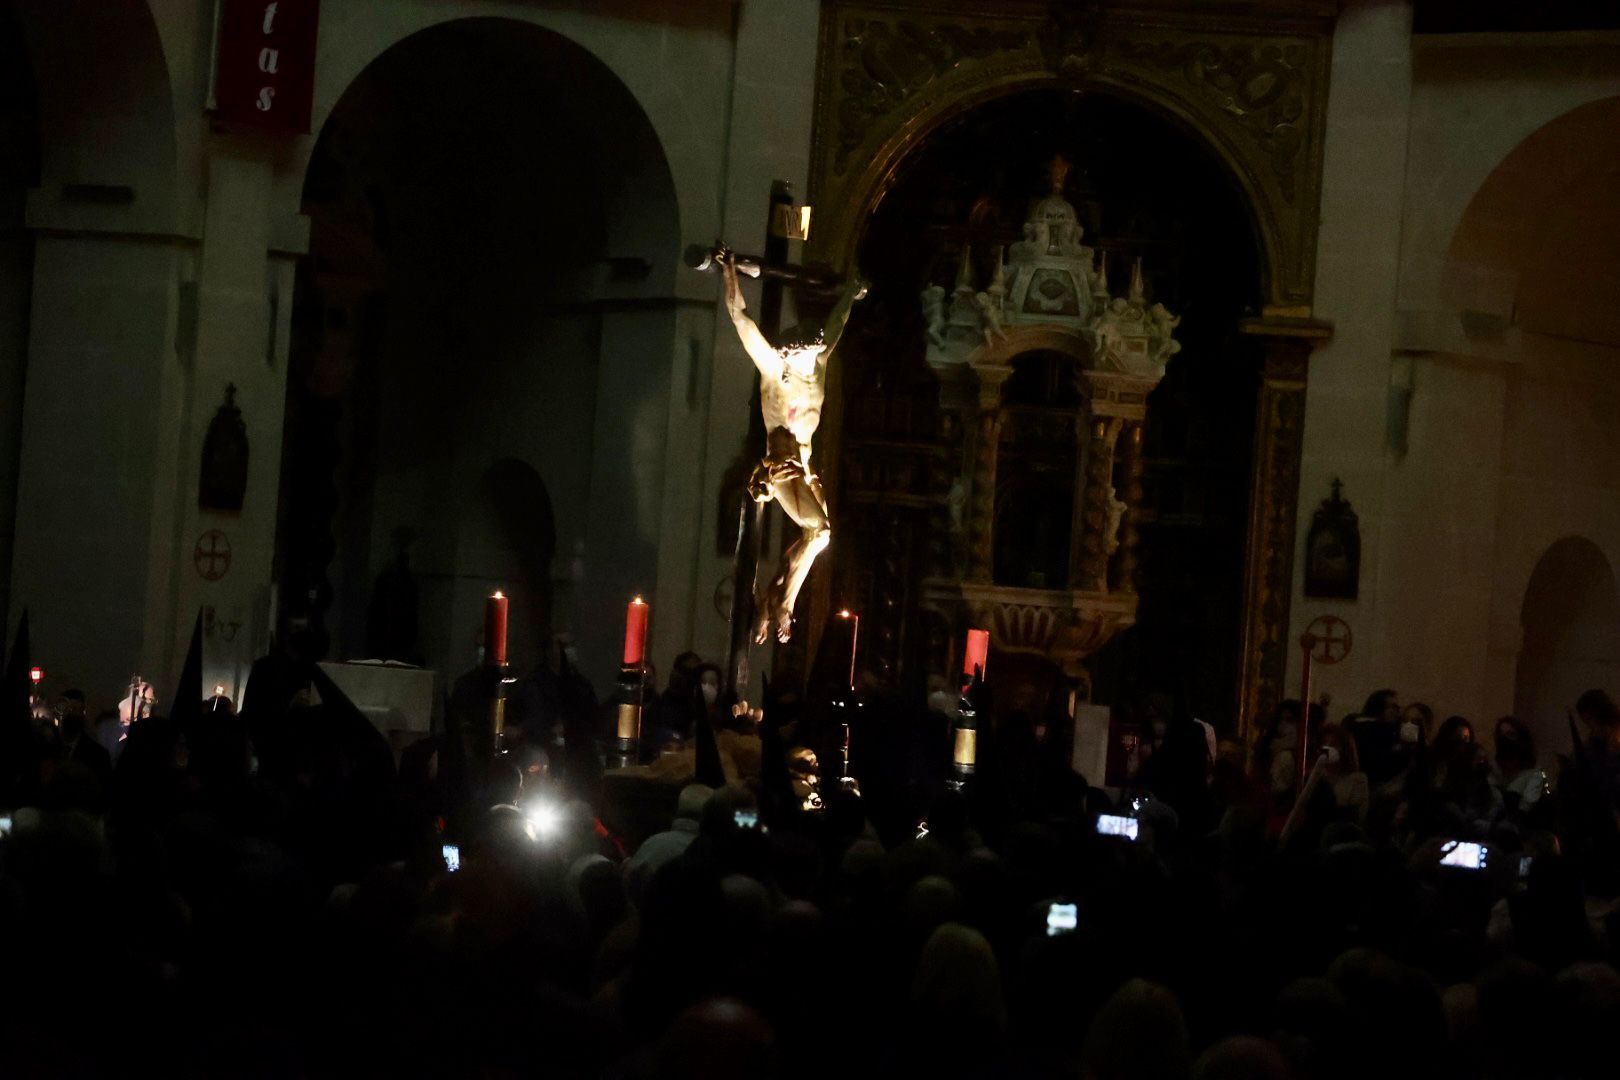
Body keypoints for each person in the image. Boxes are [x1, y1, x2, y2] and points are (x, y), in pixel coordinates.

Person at [1492, 715, 1547, 817]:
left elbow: (1524, 809)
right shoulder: (1493, 768)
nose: (1505, 740)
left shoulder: (1534, 774)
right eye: (1501, 735)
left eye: (1510, 734)